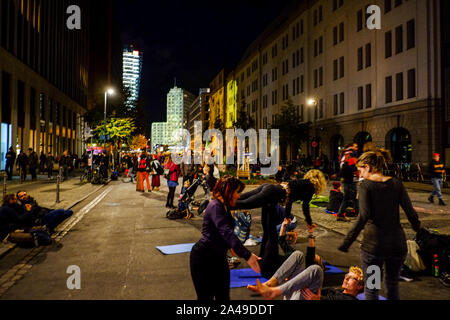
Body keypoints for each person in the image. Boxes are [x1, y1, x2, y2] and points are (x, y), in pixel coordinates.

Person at [338, 149, 422, 300]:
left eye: (360, 170)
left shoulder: (366, 186)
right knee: (392, 285)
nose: (360, 174)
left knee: (372, 287)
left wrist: (347, 242)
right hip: (397, 245)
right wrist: (418, 228)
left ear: (368, 168)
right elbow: (410, 212)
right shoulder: (396, 183)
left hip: (374, 248)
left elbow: (363, 216)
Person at [232, 170, 326, 278]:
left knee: (243, 201)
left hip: (269, 189)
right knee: (248, 207)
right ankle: (267, 268)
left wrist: (286, 216)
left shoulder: (301, 183)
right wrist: (309, 222)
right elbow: (305, 207)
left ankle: (264, 263)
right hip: (272, 195)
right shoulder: (310, 187)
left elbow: (290, 200)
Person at [190, 175, 262, 301]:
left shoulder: (225, 206)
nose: (238, 195)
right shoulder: (215, 206)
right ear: (228, 191)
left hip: (218, 257)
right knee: (205, 298)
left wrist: (231, 247)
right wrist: (247, 255)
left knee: (223, 297)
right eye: (236, 192)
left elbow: (224, 232)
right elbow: (226, 231)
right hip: (203, 258)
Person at [249, 225, 363, 301]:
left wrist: (319, 299)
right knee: (298, 254)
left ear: (359, 286)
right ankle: (269, 284)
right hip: (297, 295)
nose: (346, 279)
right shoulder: (337, 290)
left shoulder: (350, 299)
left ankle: (275, 291)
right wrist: (296, 281)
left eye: (352, 278)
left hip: (302, 295)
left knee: (316, 269)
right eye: (347, 276)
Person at [336, 157, 359, 222]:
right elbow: (355, 171)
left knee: (349, 199)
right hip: (350, 182)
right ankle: (359, 215)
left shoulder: (346, 161)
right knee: (350, 199)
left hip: (348, 182)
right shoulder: (351, 158)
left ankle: (358, 215)